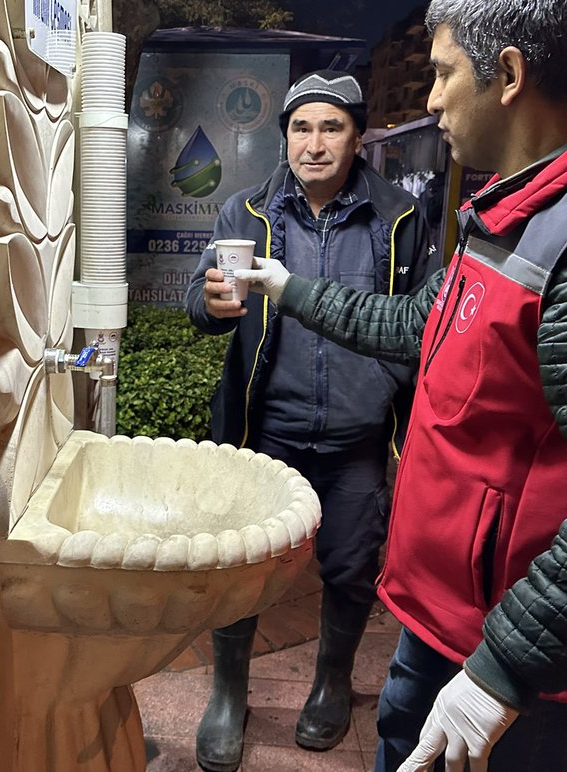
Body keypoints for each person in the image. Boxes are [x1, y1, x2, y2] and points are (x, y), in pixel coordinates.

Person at [235, 0, 567, 772]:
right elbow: (416, 323)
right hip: (454, 621)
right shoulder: (515, 210)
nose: (429, 100)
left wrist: (503, 670)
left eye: (441, 73)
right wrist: (288, 291)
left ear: (506, 73)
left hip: (519, 658)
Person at [185, 70, 433, 771]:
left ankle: (331, 683)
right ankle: (229, 692)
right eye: (301, 127)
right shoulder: (247, 211)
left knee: (351, 568)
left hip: (358, 436)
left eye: (331, 127)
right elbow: (201, 308)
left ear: (358, 138)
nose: (314, 143)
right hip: (265, 434)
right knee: (244, 569)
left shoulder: (399, 219)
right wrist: (207, 303)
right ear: (284, 136)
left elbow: (419, 326)